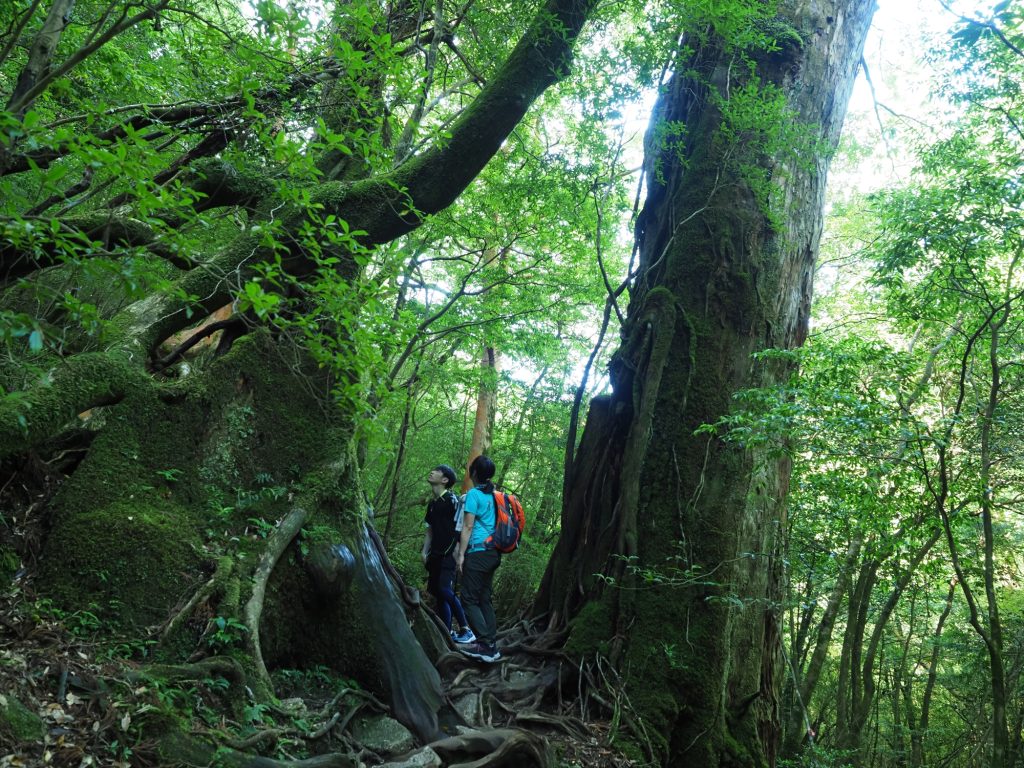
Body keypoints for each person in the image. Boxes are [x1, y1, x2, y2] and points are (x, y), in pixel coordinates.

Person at [455, 455, 501, 662]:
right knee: (484, 598)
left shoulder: (474, 495)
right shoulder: (496, 495)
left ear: (474, 473)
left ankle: (484, 645)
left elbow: (468, 526)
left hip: (477, 551)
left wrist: (461, 555)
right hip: (493, 552)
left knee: (468, 599)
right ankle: (491, 645)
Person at [422, 464, 475, 644]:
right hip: (435, 554)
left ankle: (466, 628)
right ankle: (447, 631)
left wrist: (459, 550)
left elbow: (462, 525)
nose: (432, 471)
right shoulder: (432, 503)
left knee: (445, 589)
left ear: (445, 480)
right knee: (438, 592)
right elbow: (429, 529)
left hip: (449, 553)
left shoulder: (452, 500)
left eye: (436, 471)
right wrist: (424, 551)